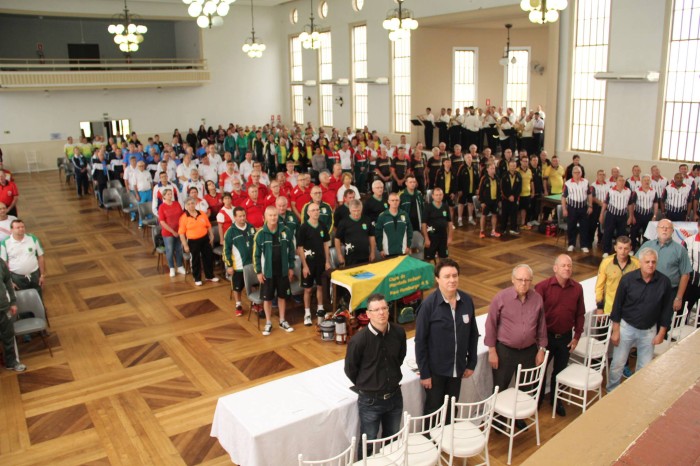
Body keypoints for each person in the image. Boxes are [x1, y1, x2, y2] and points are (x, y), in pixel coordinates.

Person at [485, 263, 547, 428]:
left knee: (526, 386)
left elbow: (541, 326)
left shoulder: (537, 299)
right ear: (513, 279)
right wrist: (492, 350)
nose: (523, 283)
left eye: (527, 280)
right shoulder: (501, 298)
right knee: (500, 386)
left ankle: (518, 417)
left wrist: (541, 349)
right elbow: (490, 325)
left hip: (528, 351)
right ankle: (497, 421)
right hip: (504, 351)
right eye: (520, 279)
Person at [415, 259, 479, 416]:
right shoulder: (428, 305)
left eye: (455, 275)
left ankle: (448, 438)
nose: (452, 280)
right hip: (436, 371)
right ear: (437, 279)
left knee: (451, 407)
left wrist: (471, 363)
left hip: (458, 368)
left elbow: (472, 333)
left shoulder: (467, 301)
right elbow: (420, 342)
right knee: (433, 409)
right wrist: (425, 373)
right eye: (447, 276)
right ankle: (431, 439)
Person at [606, 248, 674, 392]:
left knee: (645, 366)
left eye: (653, 262)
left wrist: (661, 333)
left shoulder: (664, 282)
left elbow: (667, 310)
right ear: (640, 263)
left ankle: (638, 393)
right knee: (618, 363)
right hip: (626, 327)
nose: (650, 265)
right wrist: (616, 331)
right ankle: (612, 391)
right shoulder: (627, 280)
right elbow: (617, 306)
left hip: (649, 330)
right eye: (647, 262)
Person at [344, 293, 406, 442]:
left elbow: (400, 358)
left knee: (392, 441)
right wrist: (368, 382)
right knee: (368, 444)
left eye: (384, 308)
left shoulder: (398, 332)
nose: (381, 312)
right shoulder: (358, 341)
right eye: (376, 309)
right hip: (370, 401)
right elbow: (350, 369)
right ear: (368, 314)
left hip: (395, 396)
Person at [534, 255, 585, 416]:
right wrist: (540, 344)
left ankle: (557, 400)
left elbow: (580, 314)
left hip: (565, 338)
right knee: (540, 371)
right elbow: (537, 316)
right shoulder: (542, 287)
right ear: (555, 268)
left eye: (569, 265)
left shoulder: (577, 288)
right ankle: (538, 401)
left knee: (560, 371)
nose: (567, 268)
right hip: (546, 337)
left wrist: (576, 336)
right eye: (563, 265)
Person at [253, 206, 296, 336]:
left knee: (282, 297)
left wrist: (291, 267)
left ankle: (282, 320)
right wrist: (259, 272)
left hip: (283, 271)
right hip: (268, 273)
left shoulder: (286, 231)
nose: (273, 218)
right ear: (265, 217)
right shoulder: (260, 234)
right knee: (268, 299)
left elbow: (292, 250)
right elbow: (255, 255)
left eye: (275, 215)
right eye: (270, 215)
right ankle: (268, 322)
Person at [638, 219, 691, 314]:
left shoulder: (680, 250)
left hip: (669, 293)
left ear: (673, 231)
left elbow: (685, 275)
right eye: (662, 227)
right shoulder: (647, 245)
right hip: (646, 290)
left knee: (665, 322)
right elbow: (635, 264)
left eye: (668, 228)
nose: (665, 230)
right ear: (657, 229)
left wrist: (679, 298)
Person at [296, 203, 331, 327]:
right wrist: (304, 266)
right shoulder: (303, 228)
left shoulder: (322, 225)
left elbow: (326, 244)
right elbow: (300, 248)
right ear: (308, 213)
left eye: (318, 210)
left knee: (321, 287)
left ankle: (320, 310)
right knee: (308, 289)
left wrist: (327, 261)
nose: (316, 212)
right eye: (313, 210)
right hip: (308, 264)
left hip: (321, 263)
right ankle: (307, 313)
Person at [0, 219, 46, 300]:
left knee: (38, 296)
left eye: (22, 227)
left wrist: (42, 275)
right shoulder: (5, 243)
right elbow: (4, 264)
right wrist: (9, 281)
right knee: (22, 299)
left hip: (35, 274)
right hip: (16, 277)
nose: (21, 229)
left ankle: (41, 311)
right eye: (18, 227)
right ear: (11, 229)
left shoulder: (33, 238)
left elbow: (40, 257)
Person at [178, 197, 219, 287]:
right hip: (193, 241)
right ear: (185, 206)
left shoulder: (202, 213)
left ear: (195, 204)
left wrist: (211, 235)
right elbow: (181, 233)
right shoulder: (184, 217)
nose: (191, 205)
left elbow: (208, 225)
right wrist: (185, 245)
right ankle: (197, 278)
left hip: (204, 239)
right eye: (188, 204)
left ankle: (209, 276)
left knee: (208, 257)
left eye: (192, 203)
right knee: (195, 260)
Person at [223, 207, 256, 317]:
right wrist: (229, 265)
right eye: (240, 216)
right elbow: (226, 250)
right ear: (235, 217)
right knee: (237, 287)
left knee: (253, 284)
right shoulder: (230, 232)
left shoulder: (251, 228)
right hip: (238, 266)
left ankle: (255, 303)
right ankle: (238, 304)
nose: (242, 218)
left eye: (244, 215)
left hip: (252, 264)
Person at [595, 236, 640, 315]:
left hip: (629, 308)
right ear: (615, 248)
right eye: (620, 248)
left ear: (630, 248)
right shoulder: (606, 262)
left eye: (626, 248)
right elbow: (599, 286)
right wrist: (599, 307)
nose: (623, 251)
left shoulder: (637, 263)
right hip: (609, 308)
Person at [600, 175, 635, 257]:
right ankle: (606, 251)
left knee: (622, 234)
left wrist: (631, 216)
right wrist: (601, 214)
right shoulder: (611, 190)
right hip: (611, 215)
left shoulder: (628, 191)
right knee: (608, 233)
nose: (621, 182)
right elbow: (605, 203)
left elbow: (630, 204)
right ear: (616, 181)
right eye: (619, 180)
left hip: (622, 216)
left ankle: (621, 251)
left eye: (623, 180)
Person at [0, 258, 24, 372]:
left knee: (8, 336)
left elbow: (8, 282)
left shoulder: (0, 262)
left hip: (4, 308)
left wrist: (13, 302)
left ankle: (11, 362)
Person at [334, 200, 375, 267]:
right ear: (349, 210)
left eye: (358, 210)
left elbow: (371, 236)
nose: (356, 213)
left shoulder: (367, 220)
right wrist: (339, 255)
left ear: (361, 210)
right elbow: (337, 239)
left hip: (365, 255)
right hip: (351, 257)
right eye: (354, 211)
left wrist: (372, 252)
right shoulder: (343, 222)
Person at [561, 166, 593, 253]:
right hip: (572, 208)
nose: (577, 174)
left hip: (583, 208)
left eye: (579, 172)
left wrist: (590, 206)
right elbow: (563, 197)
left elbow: (589, 195)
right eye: (575, 172)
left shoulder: (586, 182)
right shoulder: (568, 183)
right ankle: (571, 244)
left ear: (581, 173)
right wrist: (564, 209)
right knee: (571, 226)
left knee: (584, 227)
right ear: (572, 174)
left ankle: (584, 245)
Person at [157, 188, 186, 278]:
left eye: (171, 194)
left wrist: (181, 228)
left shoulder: (176, 204)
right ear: (164, 196)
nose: (170, 195)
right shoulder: (162, 207)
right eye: (168, 194)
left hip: (179, 231)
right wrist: (172, 231)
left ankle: (180, 266)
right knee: (169, 250)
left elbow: (182, 216)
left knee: (179, 249)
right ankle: (172, 268)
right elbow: (162, 222)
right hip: (168, 233)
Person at [375, 192, 413, 258]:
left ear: (399, 201)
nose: (395, 202)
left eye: (396, 200)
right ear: (388, 201)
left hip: (403, 251)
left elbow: (409, 231)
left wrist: (408, 246)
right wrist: (380, 249)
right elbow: (378, 234)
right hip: (388, 252)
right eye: (392, 200)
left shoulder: (404, 214)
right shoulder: (382, 216)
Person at [422, 187, 453, 261]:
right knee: (428, 259)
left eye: (440, 195)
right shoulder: (428, 207)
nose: (439, 196)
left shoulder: (445, 206)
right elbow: (423, 224)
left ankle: (441, 272)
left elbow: (450, 223)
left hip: (443, 237)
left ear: (443, 195)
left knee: (444, 259)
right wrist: (426, 239)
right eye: (436, 195)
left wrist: (450, 237)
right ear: (432, 196)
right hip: (431, 237)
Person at [477, 163, 501, 238]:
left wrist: (499, 200)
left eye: (494, 168)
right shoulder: (484, 178)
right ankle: (482, 231)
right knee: (484, 215)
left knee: (494, 215)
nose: (493, 170)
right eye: (491, 168)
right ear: (487, 169)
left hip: (495, 201)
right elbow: (480, 191)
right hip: (486, 202)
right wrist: (482, 202)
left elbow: (499, 190)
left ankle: (493, 231)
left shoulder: (497, 178)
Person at [500, 159, 523, 235]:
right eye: (511, 165)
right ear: (508, 166)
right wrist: (509, 196)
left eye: (514, 165)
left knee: (514, 214)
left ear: (516, 166)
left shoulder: (519, 175)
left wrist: (514, 196)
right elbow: (503, 188)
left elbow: (519, 188)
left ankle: (513, 228)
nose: (513, 167)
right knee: (504, 214)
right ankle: (502, 229)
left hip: (515, 198)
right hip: (506, 198)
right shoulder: (504, 175)